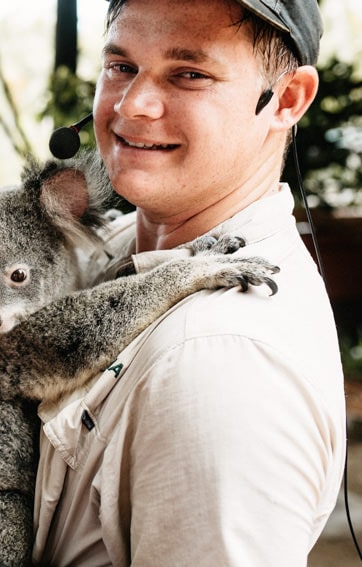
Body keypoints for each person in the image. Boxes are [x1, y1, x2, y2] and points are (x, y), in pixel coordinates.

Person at [33, 0, 346, 564]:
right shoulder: (105, 250)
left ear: (289, 99)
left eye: (189, 74)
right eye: (121, 66)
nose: (132, 106)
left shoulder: (221, 363)